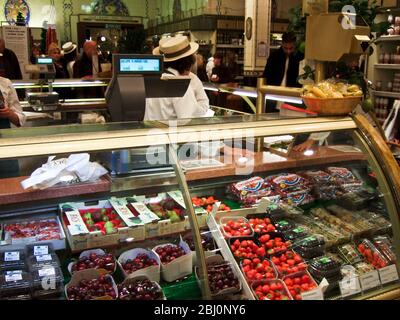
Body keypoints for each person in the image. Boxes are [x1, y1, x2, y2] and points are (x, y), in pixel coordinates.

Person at [145, 35, 210, 121]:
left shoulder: (153, 80)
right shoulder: (180, 86)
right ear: (188, 63)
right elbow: (190, 118)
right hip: (171, 132)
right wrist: (203, 105)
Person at [0, 76, 26, 178]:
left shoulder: (5, 83)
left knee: (10, 183)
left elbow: (19, 119)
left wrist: (8, 113)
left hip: (4, 144)